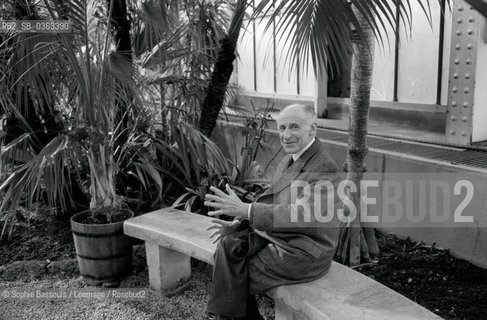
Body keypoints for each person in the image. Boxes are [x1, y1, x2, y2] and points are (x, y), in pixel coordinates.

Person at [204, 104, 341, 319]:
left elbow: (302, 216)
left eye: (294, 127)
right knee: (228, 247)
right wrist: (241, 223)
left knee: (234, 270)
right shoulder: (290, 159)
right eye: (282, 128)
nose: (286, 136)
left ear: (312, 129)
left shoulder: (324, 167)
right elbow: (274, 199)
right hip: (284, 237)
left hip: (306, 250)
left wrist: (245, 210)